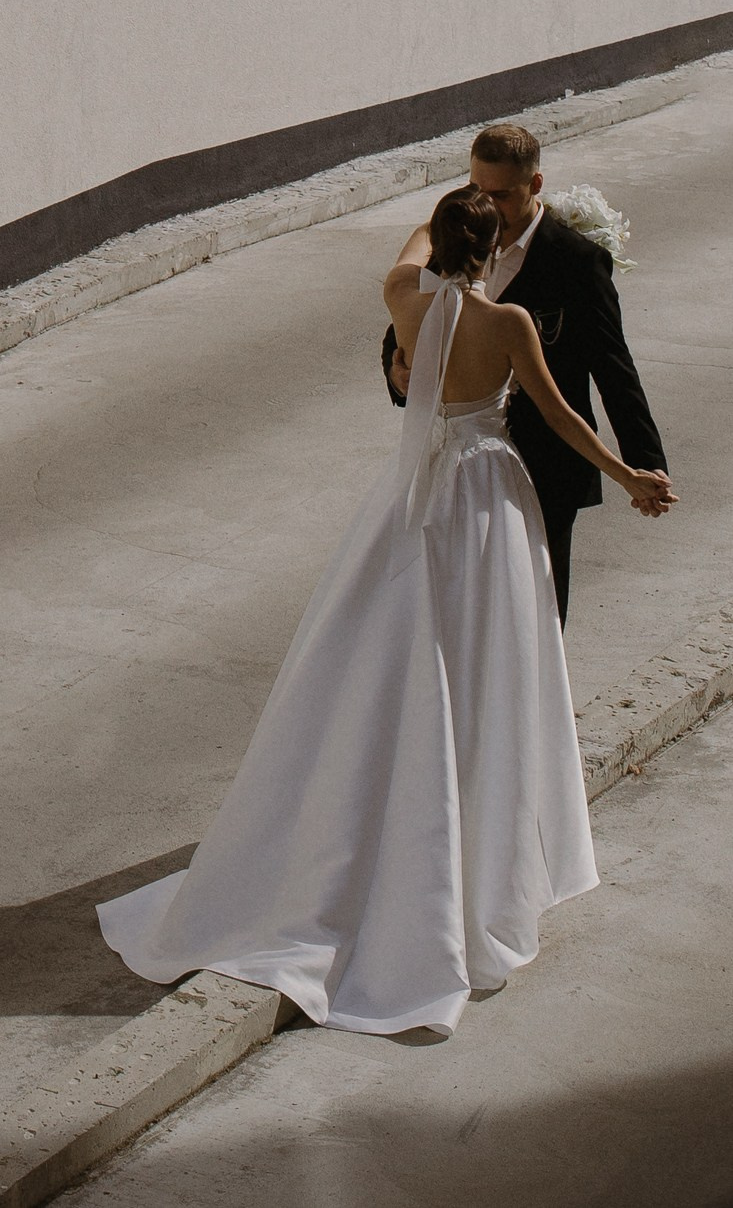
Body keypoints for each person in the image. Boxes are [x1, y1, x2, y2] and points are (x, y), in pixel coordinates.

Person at [98, 184, 677, 1034]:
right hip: (486, 492)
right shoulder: (508, 324)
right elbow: (556, 417)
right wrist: (630, 476)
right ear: (490, 252)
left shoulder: (403, 300)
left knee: (395, 647)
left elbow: (407, 251)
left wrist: (445, 218)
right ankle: (481, 840)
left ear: (440, 243)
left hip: (417, 491)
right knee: (485, 660)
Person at [380, 121, 667, 621]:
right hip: (453, 466)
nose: (488, 208)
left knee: (539, 604)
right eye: (477, 191)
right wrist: (398, 369)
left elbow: (614, 367)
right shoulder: (456, 242)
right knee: (451, 600)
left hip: (549, 463)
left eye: (503, 195)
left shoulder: (577, 261)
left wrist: (644, 461)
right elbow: (409, 324)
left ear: (535, 185)